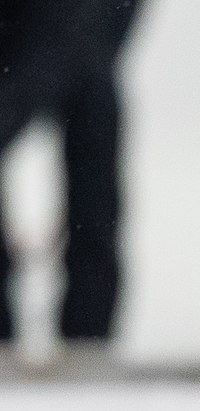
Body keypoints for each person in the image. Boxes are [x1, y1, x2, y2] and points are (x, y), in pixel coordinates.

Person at [0, 0, 141, 345]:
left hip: (83, 40)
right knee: (96, 210)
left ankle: (87, 342)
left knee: (95, 212)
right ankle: (86, 339)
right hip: (45, 38)